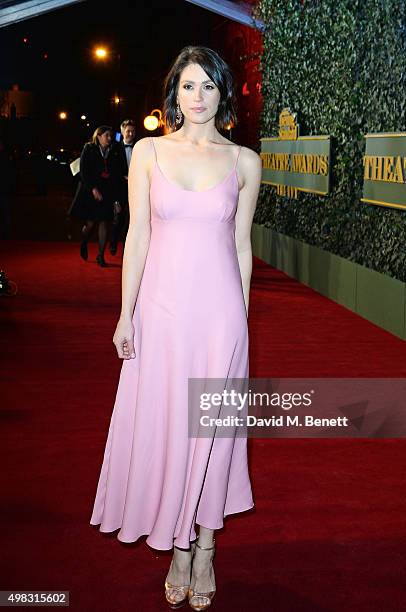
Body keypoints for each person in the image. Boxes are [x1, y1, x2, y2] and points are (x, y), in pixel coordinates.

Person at [89, 45, 262, 610]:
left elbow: (241, 247)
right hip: (160, 316)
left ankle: (205, 547)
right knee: (169, 427)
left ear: (223, 95)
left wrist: (242, 319)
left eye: (209, 87)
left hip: (219, 319)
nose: (198, 98)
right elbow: (137, 236)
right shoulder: (147, 152)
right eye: (189, 86)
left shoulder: (243, 162)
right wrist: (124, 314)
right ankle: (178, 546)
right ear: (174, 94)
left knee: (209, 433)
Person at [68, 126, 123, 267]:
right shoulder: (89, 148)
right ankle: (84, 241)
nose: (110, 138)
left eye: (111, 136)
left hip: (107, 191)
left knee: (105, 222)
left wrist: (116, 199)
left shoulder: (114, 150)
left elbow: (116, 174)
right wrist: (93, 189)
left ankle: (100, 256)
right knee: (91, 223)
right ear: (98, 136)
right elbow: (84, 171)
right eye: (107, 135)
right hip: (90, 189)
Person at [109, 119, 136, 255]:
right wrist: (123, 177)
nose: (130, 134)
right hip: (119, 189)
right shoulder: (115, 148)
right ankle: (113, 243)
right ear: (122, 132)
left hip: (136, 190)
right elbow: (112, 172)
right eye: (128, 131)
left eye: (132, 131)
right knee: (118, 219)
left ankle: (127, 247)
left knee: (132, 220)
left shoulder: (139, 147)